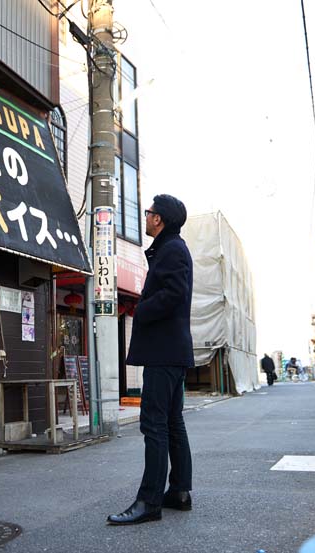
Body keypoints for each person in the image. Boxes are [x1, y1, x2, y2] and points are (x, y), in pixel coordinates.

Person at [107, 194, 194, 526]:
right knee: (172, 423)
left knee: (154, 424)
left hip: (164, 351)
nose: (145, 217)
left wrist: (141, 309)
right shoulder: (172, 247)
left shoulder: (171, 249)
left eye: (148, 213)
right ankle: (179, 492)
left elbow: (174, 294)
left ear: (158, 219)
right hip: (171, 350)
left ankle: (149, 501)